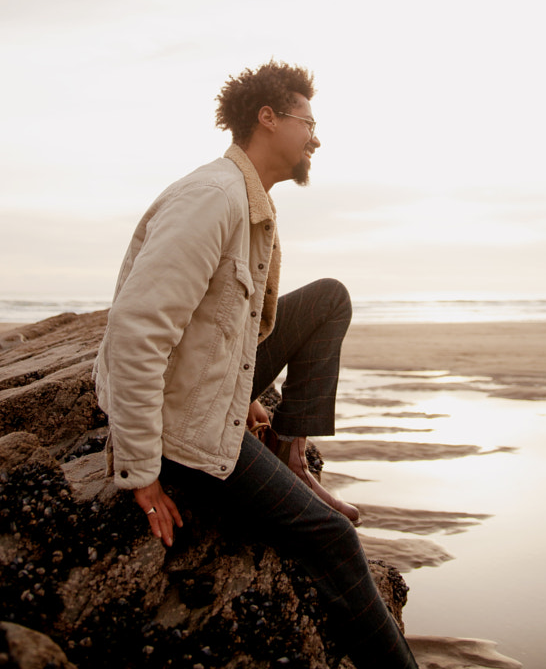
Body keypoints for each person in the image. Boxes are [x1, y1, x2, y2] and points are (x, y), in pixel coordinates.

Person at [93, 61, 418, 669]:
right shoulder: (212, 199)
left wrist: (242, 390)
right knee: (334, 538)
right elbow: (135, 334)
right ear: (267, 119)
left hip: (203, 392)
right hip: (181, 434)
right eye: (308, 122)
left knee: (328, 299)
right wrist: (140, 473)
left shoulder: (252, 201)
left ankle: (292, 455)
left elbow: (225, 327)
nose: (315, 137)